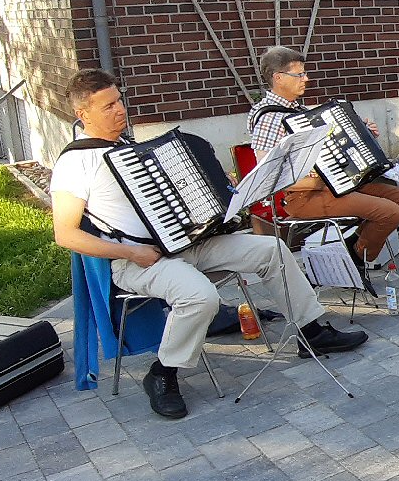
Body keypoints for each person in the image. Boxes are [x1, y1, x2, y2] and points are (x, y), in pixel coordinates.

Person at [52, 69, 368, 419]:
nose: (120, 109)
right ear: (83, 114)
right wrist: (131, 251)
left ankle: (311, 333)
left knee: (272, 250)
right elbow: (65, 234)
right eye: (108, 105)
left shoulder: (130, 146)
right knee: (200, 296)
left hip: (189, 244)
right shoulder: (74, 162)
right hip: (138, 259)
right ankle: (162, 373)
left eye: (119, 100)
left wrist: (216, 191)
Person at [246, 47, 399, 265]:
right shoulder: (270, 118)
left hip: (332, 185)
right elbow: (268, 177)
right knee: (389, 212)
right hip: (303, 196)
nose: (305, 79)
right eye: (299, 74)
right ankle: (355, 261)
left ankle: (350, 249)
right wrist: (322, 180)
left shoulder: (296, 109)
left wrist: (361, 132)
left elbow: (328, 146)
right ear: (278, 78)